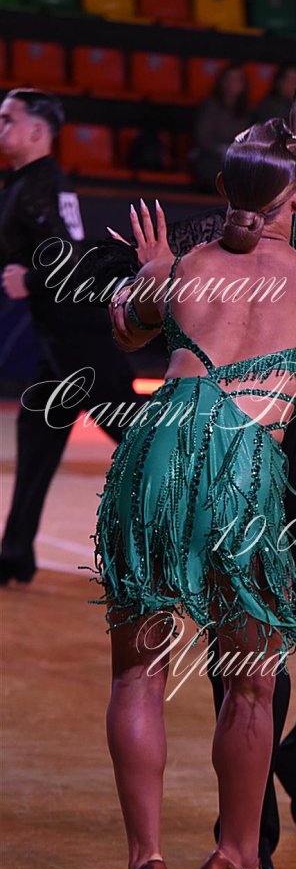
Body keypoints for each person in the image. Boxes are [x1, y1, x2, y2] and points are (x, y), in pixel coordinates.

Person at [87, 75, 296, 869]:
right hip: (251, 458)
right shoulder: (248, 213)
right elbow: (169, 303)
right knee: (247, 669)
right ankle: (247, 847)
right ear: (289, 146)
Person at [0, 88, 144, 586]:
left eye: (8, 119)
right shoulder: (32, 181)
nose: (1, 128)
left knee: (139, 437)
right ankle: (15, 553)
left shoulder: (39, 184)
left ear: (38, 131)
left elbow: (68, 257)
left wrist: (29, 277)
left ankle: (211, 525)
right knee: (37, 437)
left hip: (79, 338)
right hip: (57, 339)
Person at [189, 63, 251, 192]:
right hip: (211, 156)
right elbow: (202, 138)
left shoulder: (246, 110)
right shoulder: (210, 105)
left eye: (237, 80)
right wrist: (222, 149)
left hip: (236, 159)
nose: (233, 83)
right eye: (229, 79)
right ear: (222, 82)